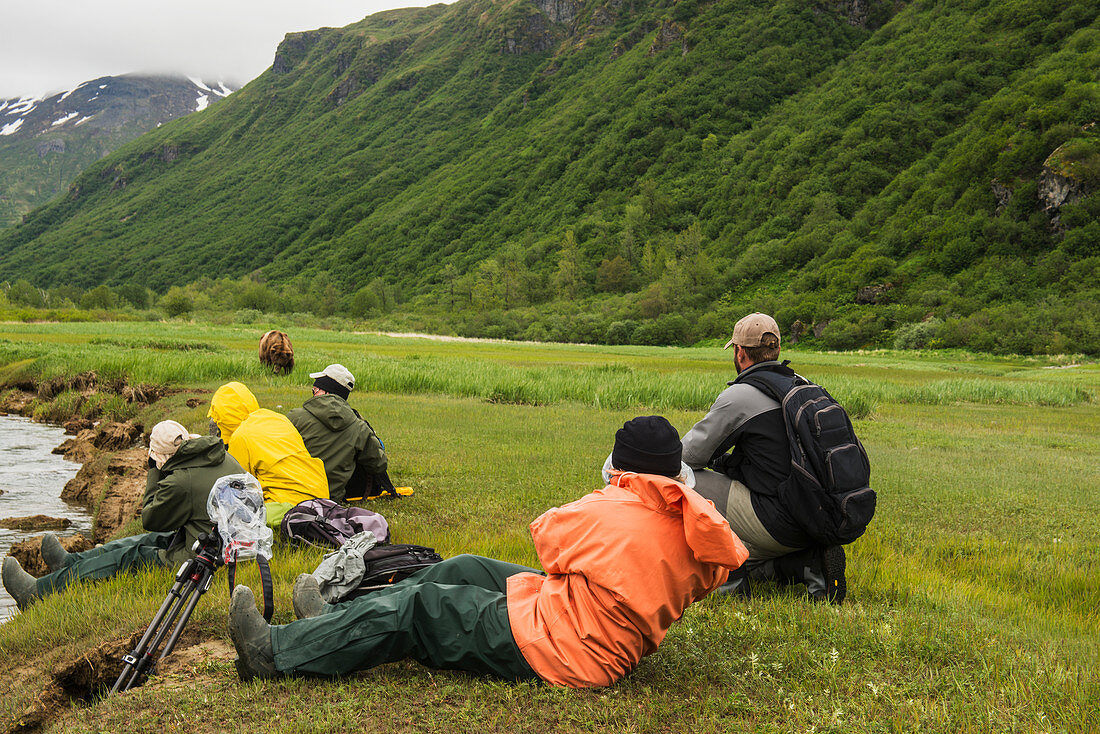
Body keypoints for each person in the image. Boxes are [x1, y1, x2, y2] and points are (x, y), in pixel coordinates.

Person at [228, 416, 748, 687]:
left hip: (563, 648)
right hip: (585, 618)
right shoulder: (693, 519)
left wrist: (611, 500)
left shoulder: (612, 509)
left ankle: (275, 654)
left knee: (421, 608)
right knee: (464, 568)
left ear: (624, 469)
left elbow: (550, 542)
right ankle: (336, 619)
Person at [681, 312, 847, 603]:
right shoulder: (804, 385)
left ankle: (728, 574)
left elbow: (687, 457)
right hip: (816, 519)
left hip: (777, 522)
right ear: (777, 349)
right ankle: (806, 563)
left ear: (740, 352)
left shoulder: (741, 396)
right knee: (761, 553)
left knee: (678, 479)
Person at [2, 420, 243, 610]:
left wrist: (153, 472)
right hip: (230, 543)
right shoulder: (219, 454)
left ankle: (37, 593)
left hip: (209, 556)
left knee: (131, 556)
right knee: (151, 541)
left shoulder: (182, 481)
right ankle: (71, 564)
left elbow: (150, 518)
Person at [208, 381, 328, 506]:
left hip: (290, 505)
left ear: (221, 417)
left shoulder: (240, 436)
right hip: (321, 495)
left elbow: (235, 483)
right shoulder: (278, 418)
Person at [287, 364, 394, 503]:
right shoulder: (359, 427)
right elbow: (378, 464)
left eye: (315, 390)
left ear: (324, 391)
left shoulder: (295, 417)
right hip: (330, 499)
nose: (313, 393)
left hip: (291, 492)